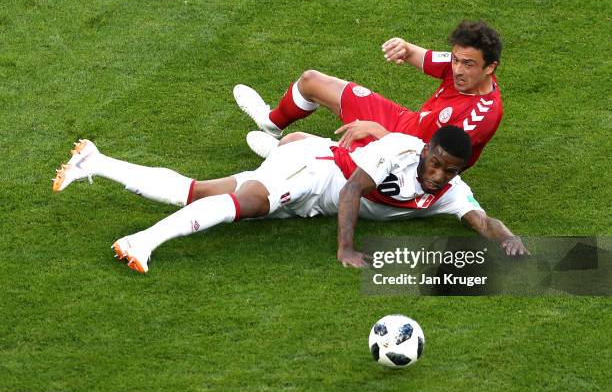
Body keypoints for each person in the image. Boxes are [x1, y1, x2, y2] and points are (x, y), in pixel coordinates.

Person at [51, 126, 528, 273]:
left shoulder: (451, 190)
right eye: (436, 162)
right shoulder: (401, 149)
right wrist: (345, 248)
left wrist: (507, 240)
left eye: (449, 170)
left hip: (309, 194)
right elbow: (352, 189)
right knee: (251, 204)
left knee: (196, 191)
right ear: (425, 150)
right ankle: (143, 242)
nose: (437, 174)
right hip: (316, 169)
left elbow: (482, 219)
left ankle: (95, 162)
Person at [235, 20, 503, 169]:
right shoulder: (462, 66)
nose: (456, 69)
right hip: (401, 123)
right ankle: (271, 124)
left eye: (467, 64)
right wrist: (404, 47)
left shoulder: (481, 115)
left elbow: (432, 161)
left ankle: (279, 154)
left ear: (490, 68)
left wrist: (377, 133)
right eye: (455, 60)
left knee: (297, 143)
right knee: (311, 81)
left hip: (403, 164)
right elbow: (417, 55)